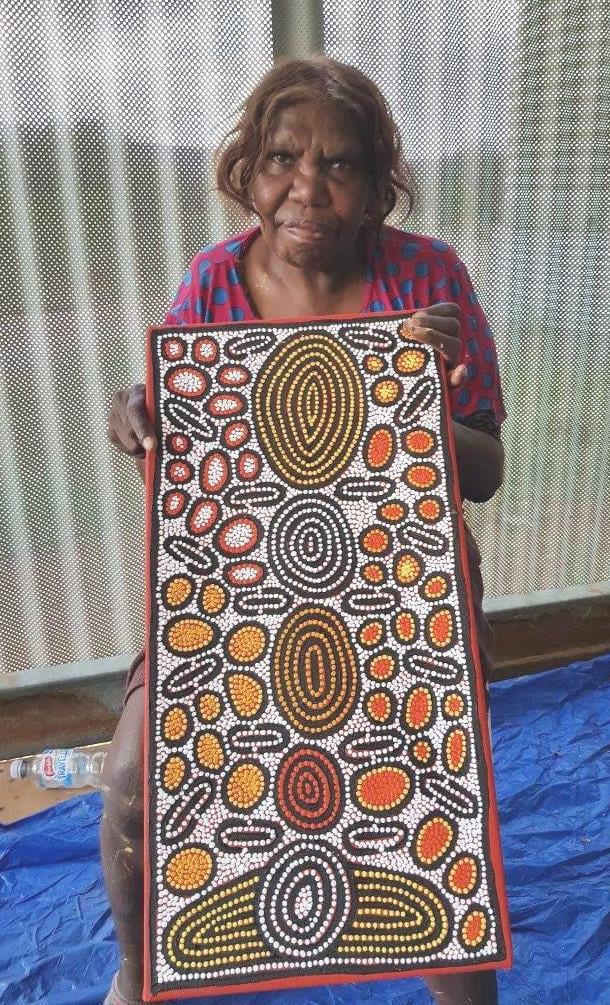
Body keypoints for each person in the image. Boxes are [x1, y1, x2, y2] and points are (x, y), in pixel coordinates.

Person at [102, 55, 506, 1005]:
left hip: (402, 598)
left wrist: (416, 402)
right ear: (248, 170)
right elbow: (184, 455)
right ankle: (136, 974)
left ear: (377, 185)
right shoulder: (212, 283)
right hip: (239, 594)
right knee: (131, 779)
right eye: (283, 157)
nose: (308, 187)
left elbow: (486, 471)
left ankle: (456, 964)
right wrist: (141, 416)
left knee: (433, 805)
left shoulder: (429, 279)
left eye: (340, 163)